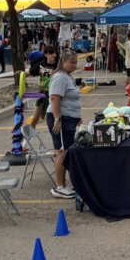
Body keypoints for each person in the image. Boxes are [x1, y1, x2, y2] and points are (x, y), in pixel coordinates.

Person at [48, 50, 82, 198]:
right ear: (63, 62)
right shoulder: (60, 77)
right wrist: (58, 119)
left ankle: (61, 185)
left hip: (68, 119)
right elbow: (55, 98)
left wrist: (77, 117)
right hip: (61, 119)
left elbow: (72, 99)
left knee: (63, 151)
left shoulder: (67, 77)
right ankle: (59, 187)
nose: (74, 65)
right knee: (64, 151)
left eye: (76, 62)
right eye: (71, 63)